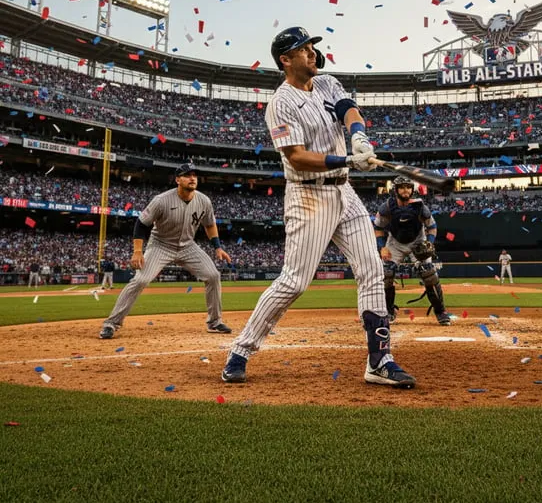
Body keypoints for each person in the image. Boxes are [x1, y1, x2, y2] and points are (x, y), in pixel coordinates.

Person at [221, 26, 415, 388]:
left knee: (373, 269)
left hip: (345, 194)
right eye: (303, 48)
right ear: (286, 59)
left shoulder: (326, 82)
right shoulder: (280, 103)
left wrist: (358, 137)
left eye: (312, 47)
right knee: (294, 281)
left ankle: (380, 360)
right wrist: (345, 158)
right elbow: (296, 158)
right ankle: (241, 350)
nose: (312, 53)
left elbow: (348, 110)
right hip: (308, 196)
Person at [98, 162, 232, 339]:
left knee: (213, 275)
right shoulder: (161, 200)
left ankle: (215, 322)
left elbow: (210, 224)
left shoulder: (204, 200)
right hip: (161, 245)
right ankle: (111, 323)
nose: (192, 178)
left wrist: (218, 247)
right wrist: (137, 250)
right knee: (140, 280)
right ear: (178, 180)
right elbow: (141, 224)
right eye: (187, 175)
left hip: (188, 246)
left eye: (194, 175)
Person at [374, 176, 451, 326]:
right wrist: (382, 247)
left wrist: (429, 243)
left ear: (412, 189)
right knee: (386, 274)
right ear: (395, 190)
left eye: (408, 187)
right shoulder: (387, 207)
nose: (405, 190)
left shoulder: (420, 206)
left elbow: (432, 227)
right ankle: (389, 312)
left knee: (428, 273)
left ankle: (441, 312)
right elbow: (378, 228)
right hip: (395, 242)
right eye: (402, 187)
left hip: (418, 241)